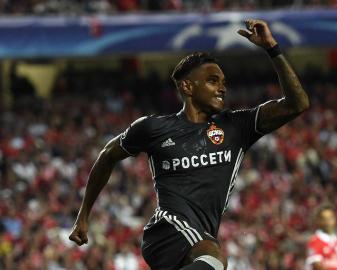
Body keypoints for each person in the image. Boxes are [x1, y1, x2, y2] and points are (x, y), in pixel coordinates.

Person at [69, 19, 310, 270]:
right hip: (167, 230)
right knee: (214, 260)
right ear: (187, 86)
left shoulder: (236, 126)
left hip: (199, 239)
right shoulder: (154, 128)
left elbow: (298, 104)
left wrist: (273, 49)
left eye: (223, 82)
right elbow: (108, 154)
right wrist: (83, 215)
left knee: (211, 260)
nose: (222, 88)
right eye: (213, 81)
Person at [305, 205, 337, 270]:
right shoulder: (314, 241)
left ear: (335, 219)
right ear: (319, 221)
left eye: (330, 218)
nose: (327, 222)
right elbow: (317, 266)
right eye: (324, 219)